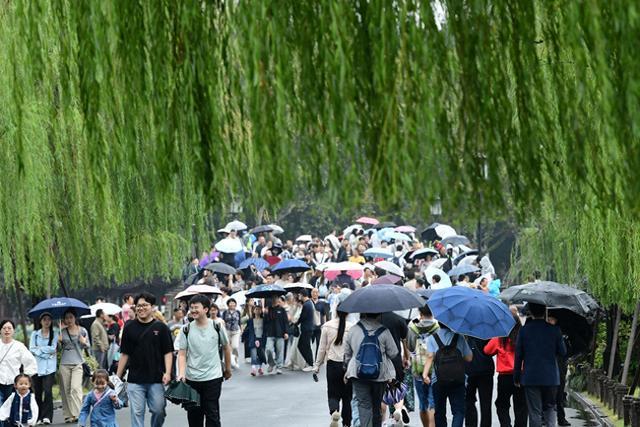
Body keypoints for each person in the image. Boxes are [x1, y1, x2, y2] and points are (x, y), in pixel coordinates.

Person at [116, 292, 173, 427]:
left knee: (158, 410)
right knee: (137, 412)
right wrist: (117, 376)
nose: (141, 308)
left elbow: (168, 352)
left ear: (152, 307)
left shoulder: (161, 328)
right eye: (138, 306)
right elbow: (124, 354)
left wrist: (167, 372)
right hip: (135, 379)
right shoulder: (129, 327)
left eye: (145, 305)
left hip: (156, 378)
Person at [177, 294, 232, 427]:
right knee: (194, 416)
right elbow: (182, 354)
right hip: (192, 379)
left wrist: (228, 369)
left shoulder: (217, 326)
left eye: (196, 307)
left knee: (212, 414)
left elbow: (226, 348)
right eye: (191, 308)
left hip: (213, 377)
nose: (193, 310)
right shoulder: (186, 329)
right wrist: (181, 374)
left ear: (206, 309)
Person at [514, 303, 567, 427]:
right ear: (544, 312)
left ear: (531, 312)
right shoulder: (554, 330)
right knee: (550, 408)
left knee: (534, 412)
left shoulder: (524, 331)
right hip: (551, 376)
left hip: (531, 376)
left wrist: (517, 376)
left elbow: (518, 355)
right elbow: (563, 352)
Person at [344, 312, 399, 427]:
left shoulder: (353, 330)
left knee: (363, 405)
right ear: (378, 315)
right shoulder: (384, 331)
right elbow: (393, 353)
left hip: (358, 373)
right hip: (380, 374)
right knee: (377, 404)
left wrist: (347, 368)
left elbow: (347, 354)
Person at [424, 322, 473, 427]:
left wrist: (425, 374)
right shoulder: (459, 337)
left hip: (438, 380)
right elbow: (469, 358)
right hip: (458, 380)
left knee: (440, 412)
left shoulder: (432, 338)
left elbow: (430, 356)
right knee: (458, 411)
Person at [484, 312, 527, 427]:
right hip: (521, 375)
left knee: (502, 405)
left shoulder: (499, 338)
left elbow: (487, 350)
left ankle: (506, 425)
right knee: (521, 407)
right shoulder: (523, 336)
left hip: (505, 378)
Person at [313, 306, 353, 427]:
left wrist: (316, 366)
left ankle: (334, 413)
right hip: (347, 365)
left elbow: (322, 348)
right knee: (347, 397)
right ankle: (346, 423)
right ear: (347, 313)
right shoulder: (352, 328)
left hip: (332, 364)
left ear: (336, 312)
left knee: (333, 393)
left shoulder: (327, 326)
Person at [407, 305, 439, 427]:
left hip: (418, 369)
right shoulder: (437, 327)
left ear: (420, 313)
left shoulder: (413, 327)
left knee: (422, 403)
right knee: (432, 403)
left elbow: (410, 347)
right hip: (435, 369)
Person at [57, 310, 89, 424]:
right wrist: (59, 342)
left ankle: (77, 413)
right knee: (65, 390)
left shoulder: (82, 330)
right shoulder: (62, 332)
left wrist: (84, 342)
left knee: (75, 388)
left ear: (75, 318)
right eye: (66, 318)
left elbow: (87, 346)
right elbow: (58, 350)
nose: (69, 320)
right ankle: (68, 415)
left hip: (78, 363)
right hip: (64, 363)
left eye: (71, 317)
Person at [29, 313, 58, 425]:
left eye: (49, 319)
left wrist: (40, 349)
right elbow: (32, 348)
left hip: (50, 368)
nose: (47, 322)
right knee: (38, 392)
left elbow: (53, 348)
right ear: (40, 321)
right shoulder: (35, 334)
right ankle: (38, 416)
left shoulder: (54, 334)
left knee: (48, 391)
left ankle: (47, 416)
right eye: (44, 319)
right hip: (37, 367)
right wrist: (46, 352)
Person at [464, 337, 494, 427]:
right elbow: (491, 349)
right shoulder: (487, 332)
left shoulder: (463, 333)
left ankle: (471, 424)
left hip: (468, 369)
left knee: (469, 402)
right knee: (486, 404)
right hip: (486, 370)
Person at [264, 297, 289, 374]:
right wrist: (265, 314)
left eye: (276, 298)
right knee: (268, 349)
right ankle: (271, 363)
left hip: (280, 333)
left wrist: (286, 332)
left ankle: (279, 367)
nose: (274, 300)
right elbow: (265, 322)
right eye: (273, 298)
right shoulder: (268, 309)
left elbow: (286, 322)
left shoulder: (282, 310)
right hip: (270, 333)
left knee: (280, 351)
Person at [244, 305, 266, 376]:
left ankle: (259, 368)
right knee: (253, 354)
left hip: (262, 339)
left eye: (259, 309)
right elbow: (249, 330)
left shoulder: (264, 320)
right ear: (253, 311)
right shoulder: (250, 320)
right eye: (256, 309)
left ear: (261, 311)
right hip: (253, 338)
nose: (257, 311)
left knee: (260, 354)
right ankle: (253, 369)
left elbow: (265, 330)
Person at [296, 291, 316, 371]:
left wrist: (296, 323)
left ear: (302, 295)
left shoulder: (306, 304)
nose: (298, 296)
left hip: (306, 329)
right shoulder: (309, 303)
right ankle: (310, 363)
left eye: (299, 295)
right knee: (304, 346)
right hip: (308, 328)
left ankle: (311, 363)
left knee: (304, 346)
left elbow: (302, 317)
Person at [221, 299, 241, 369]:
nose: (232, 304)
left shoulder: (238, 312)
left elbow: (239, 321)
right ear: (228, 304)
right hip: (227, 331)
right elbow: (223, 321)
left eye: (233, 303)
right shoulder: (225, 312)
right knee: (227, 347)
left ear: (235, 304)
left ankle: (235, 359)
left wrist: (241, 329)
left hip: (236, 331)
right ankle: (229, 362)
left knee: (235, 346)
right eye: (230, 303)